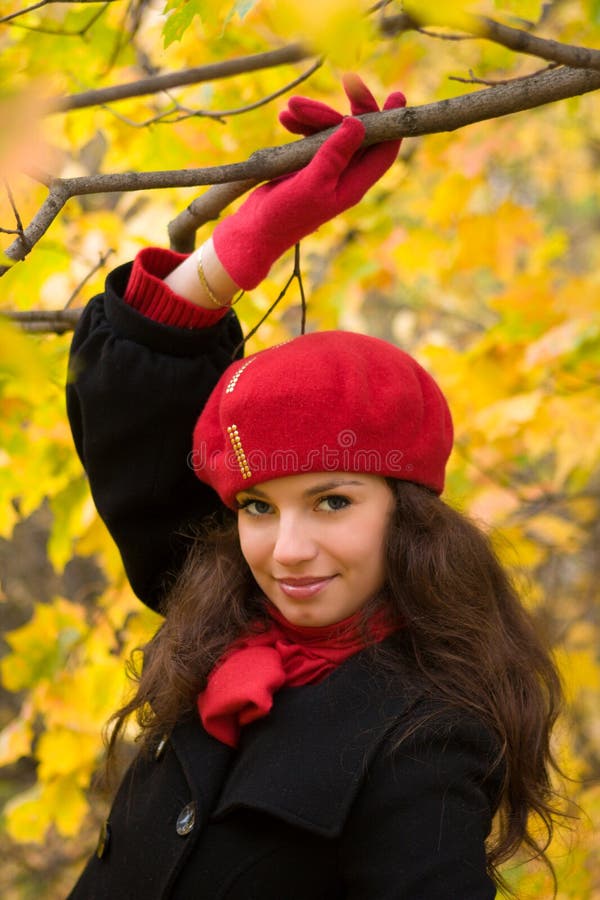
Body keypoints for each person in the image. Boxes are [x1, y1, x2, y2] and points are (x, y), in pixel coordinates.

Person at [65, 75, 563, 899]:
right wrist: (236, 253)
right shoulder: (221, 615)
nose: (286, 552)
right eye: (257, 506)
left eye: (333, 501)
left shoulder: (428, 739)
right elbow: (124, 412)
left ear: (406, 516)